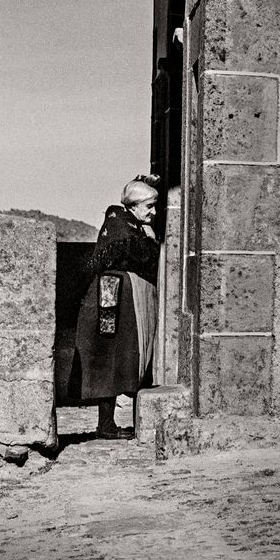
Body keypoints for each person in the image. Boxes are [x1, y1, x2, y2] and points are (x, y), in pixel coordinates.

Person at [72, 174, 160, 439]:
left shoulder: (129, 225)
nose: (154, 212)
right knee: (109, 357)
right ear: (133, 206)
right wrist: (150, 239)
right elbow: (143, 256)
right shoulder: (122, 228)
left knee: (122, 358)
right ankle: (106, 425)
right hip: (112, 301)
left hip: (121, 300)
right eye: (149, 207)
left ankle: (110, 424)